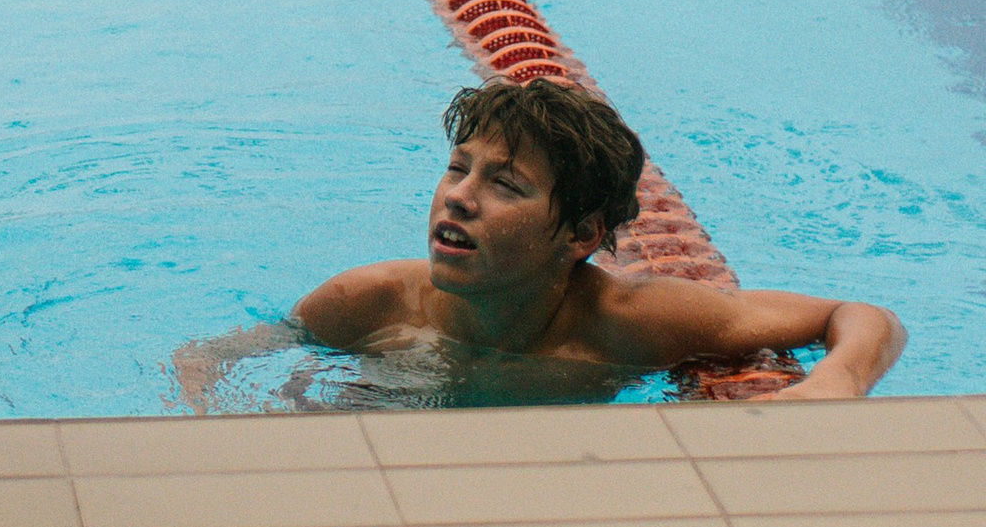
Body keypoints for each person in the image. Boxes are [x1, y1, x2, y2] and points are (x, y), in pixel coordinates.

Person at [176, 77, 903, 410]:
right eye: (457, 168)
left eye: (506, 184)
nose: (459, 195)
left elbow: (865, 317)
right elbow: (207, 357)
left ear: (582, 235)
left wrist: (837, 380)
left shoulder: (630, 324)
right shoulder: (369, 303)